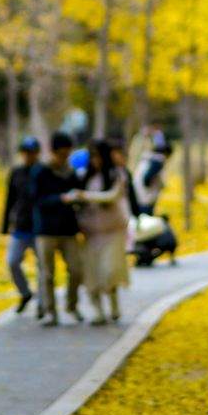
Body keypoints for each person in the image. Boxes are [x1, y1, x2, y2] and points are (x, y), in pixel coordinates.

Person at [68, 138, 131, 324]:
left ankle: (114, 306)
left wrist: (85, 196)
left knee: (109, 271)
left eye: (98, 156)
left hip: (112, 232)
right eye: (92, 156)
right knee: (92, 275)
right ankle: (98, 311)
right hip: (90, 233)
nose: (95, 160)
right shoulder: (84, 177)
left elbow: (112, 196)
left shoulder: (117, 175)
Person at [30, 130, 84, 327]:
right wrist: (61, 199)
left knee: (77, 269)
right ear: (54, 151)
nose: (65, 157)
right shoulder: (41, 171)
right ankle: (50, 311)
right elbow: (36, 199)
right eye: (62, 153)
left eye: (67, 153)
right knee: (47, 274)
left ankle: (72, 304)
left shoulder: (71, 172)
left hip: (68, 229)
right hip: (46, 230)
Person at [2, 136, 40, 314]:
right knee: (12, 261)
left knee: (43, 267)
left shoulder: (42, 172)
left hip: (40, 227)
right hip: (21, 225)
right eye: (26, 152)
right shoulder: (16, 173)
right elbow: (9, 199)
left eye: (32, 152)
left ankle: (44, 303)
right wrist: (5, 224)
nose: (29, 156)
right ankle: (25, 292)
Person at [133, 130, 170, 214]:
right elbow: (147, 178)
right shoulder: (158, 161)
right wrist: (150, 190)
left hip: (138, 194)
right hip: (146, 198)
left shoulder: (147, 158)